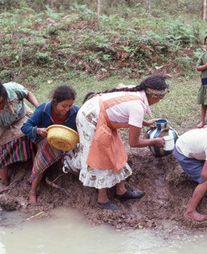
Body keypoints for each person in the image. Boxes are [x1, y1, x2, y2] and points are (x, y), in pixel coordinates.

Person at [64, 74, 168, 211]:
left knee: (117, 149)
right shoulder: (137, 106)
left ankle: (121, 191)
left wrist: (144, 122)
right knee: (101, 155)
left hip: (100, 114)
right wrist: (154, 141)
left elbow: (121, 108)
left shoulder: (135, 90)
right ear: (155, 97)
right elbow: (134, 143)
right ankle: (102, 199)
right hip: (90, 118)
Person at [21, 85, 79, 204]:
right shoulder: (43, 109)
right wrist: (38, 131)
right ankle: (33, 191)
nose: (67, 109)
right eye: (64, 106)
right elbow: (25, 127)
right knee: (45, 148)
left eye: (70, 105)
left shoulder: (76, 111)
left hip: (68, 142)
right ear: (55, 101)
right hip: (45, 141)